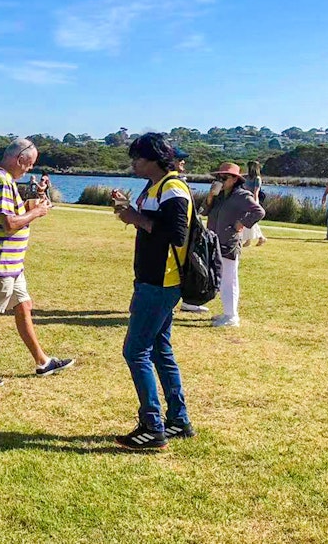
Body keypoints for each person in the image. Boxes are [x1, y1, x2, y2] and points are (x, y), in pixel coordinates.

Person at [0, 138, 74, 386]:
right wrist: (36, 212)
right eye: (29, 164)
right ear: (19, 159)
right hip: (0, 263)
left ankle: (42, 361)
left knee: (23, 305)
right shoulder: (2, 181)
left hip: (11, 263)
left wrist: (26, 206)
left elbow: (6, 213)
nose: (29, 170)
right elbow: (8, 223)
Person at [110, 134, 195, 449]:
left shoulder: (173, 187)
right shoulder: (157, 187)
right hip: (153, 280)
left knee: (135, 351)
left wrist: (136, 219)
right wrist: (127, 209)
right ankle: (178, 419)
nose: (133, 163)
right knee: (160, 349)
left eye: (138, 158)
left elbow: (176, 233)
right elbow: (152, 223)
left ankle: (152, 425)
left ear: (155, 159)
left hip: (160, 282)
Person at [202, 163, 265, 328]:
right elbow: (204, 211)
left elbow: (259, 211)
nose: (220, 180)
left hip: (228, 242)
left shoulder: (242, 195)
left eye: (224, 177)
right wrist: (210, 197)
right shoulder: (219, 196)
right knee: (223, 278)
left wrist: (241, 223)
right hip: (215, 241)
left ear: (235, 179)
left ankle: (231, 316)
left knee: (229, 279)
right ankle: (228, 313)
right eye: (218, 177)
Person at [173, 148, 209, 315]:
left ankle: (189, 301)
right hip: (177, 239)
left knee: (191, 268)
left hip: (189, 236)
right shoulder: (168, 183)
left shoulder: (179, 181)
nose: (183, 162)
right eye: (179, 158)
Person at [241, 160, 268, 247]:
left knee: (250, 220)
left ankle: (250, 240)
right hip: (245, 200)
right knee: (249, 220)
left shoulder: (257, 179)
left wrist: (255, 204)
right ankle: (260, 238)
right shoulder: (246, 177)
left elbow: (256, 192)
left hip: (252, 200)